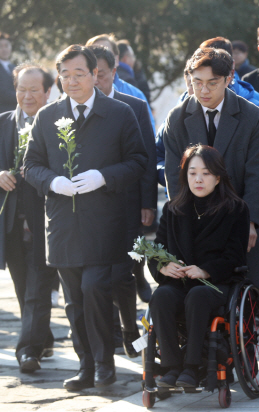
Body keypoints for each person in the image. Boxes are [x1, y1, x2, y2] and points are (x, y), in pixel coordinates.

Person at [23, 44, 148, 390]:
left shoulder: (120, 113)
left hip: (105, 223)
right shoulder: (47, 116)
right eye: (65, 75)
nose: (72, 81)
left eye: (79, 74)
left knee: (95, 289)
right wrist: (53, 182)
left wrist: (103, 176)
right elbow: (30, 165)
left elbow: (139, 161)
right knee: (74, 299)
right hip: (62, 223)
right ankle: (86, 365)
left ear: (96, 74)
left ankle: (105, 362)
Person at [162, 47, 259, 292]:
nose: (204, 90)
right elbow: (173, 174)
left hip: (237, 213)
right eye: (197, 82)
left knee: (248, 281)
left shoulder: (251, 115)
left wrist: (250, 222)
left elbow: (257, 172)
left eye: (212, 83)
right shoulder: (177, 117)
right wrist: (178, 220)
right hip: (193, 215)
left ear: (229, 78)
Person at [149, 144, 249, 388]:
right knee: (161, 296)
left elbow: (235, 256)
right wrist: (163, 266)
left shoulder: (235, 209)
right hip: (179, 282)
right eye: (192, 173)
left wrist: (205, 270)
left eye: (205, 173)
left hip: (215, 283)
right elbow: (156, 249)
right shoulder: (174, 209)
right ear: (185, 176)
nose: (198, 179)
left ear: (217, 176)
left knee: (198, 295)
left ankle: (193, 367)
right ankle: (171, 366)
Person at [89, 44, 157, 356]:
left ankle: (131, 329)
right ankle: (112, 333)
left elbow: (145, 157)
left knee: (124, 272)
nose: (94, 82)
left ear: (113, 73)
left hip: (128, 204)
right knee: (98, 275)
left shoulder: (133, 106)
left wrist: (147, 203)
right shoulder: (76, 110)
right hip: (90, 208)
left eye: (100, 75)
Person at [0, 63, 57, 373]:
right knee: (23, 288)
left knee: (38, 285)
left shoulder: (58, 124)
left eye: (34, 90)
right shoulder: (2, 123)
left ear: (47, 92)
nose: (27, 95)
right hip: (9, 223)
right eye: (21, 89)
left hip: (45, 221)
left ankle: (28, 350)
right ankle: (42, 336)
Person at [86, 35, 155, 132]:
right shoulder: (75, 96)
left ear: (116, 60)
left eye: (106, 53)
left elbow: (148, 135)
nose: (100, 59)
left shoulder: (136, 95)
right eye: (93, 54)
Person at [0, 32, 16, 113]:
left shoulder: (14, 67)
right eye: (1, 46)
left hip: (16, 110)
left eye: (6, 46)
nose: (4, 49)